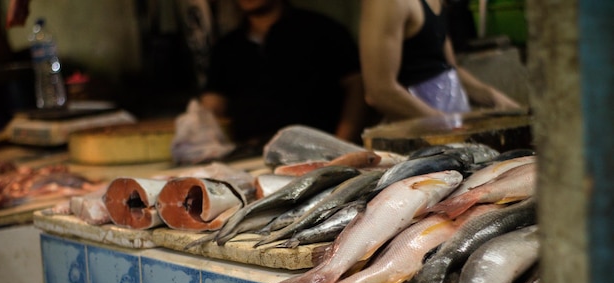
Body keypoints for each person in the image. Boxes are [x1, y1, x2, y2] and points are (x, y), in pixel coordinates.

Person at [199, 0, 367, 147]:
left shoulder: (322, 29)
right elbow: (213, 104)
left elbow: (356, 87)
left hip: (319, 150)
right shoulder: (226, 46)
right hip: (250, 155)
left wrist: (341, 144)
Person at [359, 0, 521, 122]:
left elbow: (448, 67)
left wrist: (494, 97)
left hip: (450, 127)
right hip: (418, 138)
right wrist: (447, 124)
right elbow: (380, 91)